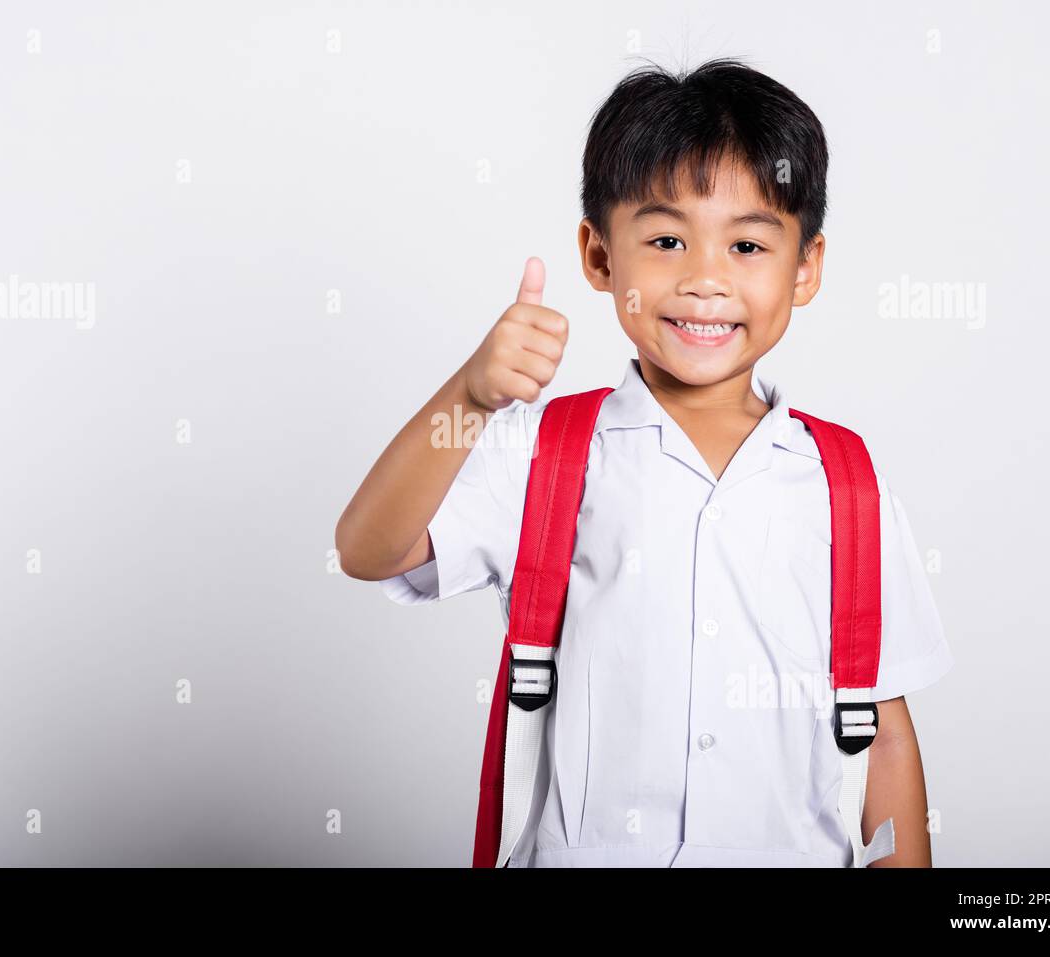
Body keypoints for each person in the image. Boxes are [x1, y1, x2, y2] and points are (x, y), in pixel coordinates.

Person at [335, 57, 953, 867]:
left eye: (747, 244)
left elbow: (882, 729)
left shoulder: (846, 485)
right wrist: (472, 397)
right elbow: (366, 548)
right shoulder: (545, 451)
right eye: (665, 239)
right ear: (599, 256)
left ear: (805, 266)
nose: (704, 279)